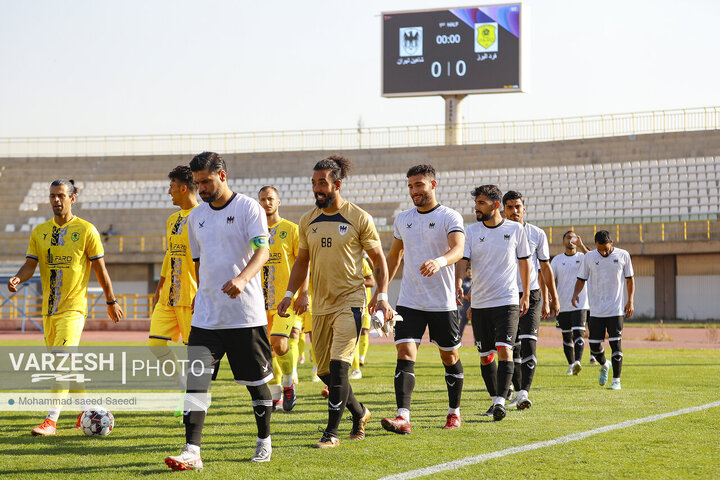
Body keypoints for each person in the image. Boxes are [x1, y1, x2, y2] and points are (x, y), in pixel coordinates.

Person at [165, 152, 273, 471]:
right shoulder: (196, 217)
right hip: (207, 317)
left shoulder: (248, 208)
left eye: (206, 181)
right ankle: (192, 450)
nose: (201, 188)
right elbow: (200, 265)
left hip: (244, 315)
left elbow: (263, 250)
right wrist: (204, 296)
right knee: (196, 381)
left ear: (222, 176)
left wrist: (241, 279)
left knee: (256, 383)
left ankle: (264, 441)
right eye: (197, 183)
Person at [277, 154, 392, 449]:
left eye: (323, 183)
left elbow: (379, 260)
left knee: (340, 365)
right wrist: (290, 295)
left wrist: (382, 296)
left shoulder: (359, 217)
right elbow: (302, 261)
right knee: (324, 372)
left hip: (350, 302)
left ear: (337, 184)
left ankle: (331, 434)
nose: (317, 188)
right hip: (320, 305)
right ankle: (360, 412)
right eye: (314, 182)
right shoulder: (307, 220)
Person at [8, 179, 123, 436]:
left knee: (62, 361)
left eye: (60, 195)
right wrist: (18, 277)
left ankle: (51, 421)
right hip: (48, 310)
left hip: (73, 308)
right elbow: (30, 264)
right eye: (52, 196)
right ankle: (87, 409)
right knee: (66, 365)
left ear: (73, 198)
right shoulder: (39, 231)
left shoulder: (86, 230)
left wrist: (111, 300)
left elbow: (100, 269)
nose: (56, 200)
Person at [381, 164, 466, 433]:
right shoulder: (403, 218)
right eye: (410, 186)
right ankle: (403, 417)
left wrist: (440, 262)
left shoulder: (449, 216)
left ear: (433, 184)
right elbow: (394, 257)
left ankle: (454, 412)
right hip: (409, 300)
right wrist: (381, 293)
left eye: (419, 185)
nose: (414, 191)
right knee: (405, 352)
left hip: (442, 302)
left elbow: (458, 249)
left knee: (449, 356)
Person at [455, 185, 530, 422]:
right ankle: (494, 399)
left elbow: (525, 264)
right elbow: (463, 260)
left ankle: (500, 401)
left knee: (505, 350)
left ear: (495, 205)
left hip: (507, 300)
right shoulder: (471, 231)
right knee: (485, 356)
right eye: (476, 203)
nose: (476, 207)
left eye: (481, 203)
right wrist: (458, 282)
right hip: (479, 303)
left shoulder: (516, 230)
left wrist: (525, 294)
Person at [502, 191, 560, 410]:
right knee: (511, 347)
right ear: (503, 210)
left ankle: (524, 393)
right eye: (510, 207)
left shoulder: (537, 234)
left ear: (524, 208)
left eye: (518, 207)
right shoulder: (498, 233)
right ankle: (516, 390)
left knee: (529, 344)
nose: (514, 211)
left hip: (532, 295)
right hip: (506, 296)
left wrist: (552, 299)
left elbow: (545, 268)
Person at [258, 185, 309, 412]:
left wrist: (304, 293)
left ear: (278, 202)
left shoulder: (291, 229)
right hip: (259, 302)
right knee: (265, 352)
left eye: (270, 199)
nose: (266, 203)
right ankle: (277, 394)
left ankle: (289, 383)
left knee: (280, 345)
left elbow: (303, 264)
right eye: (262, 199)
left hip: (285, 300)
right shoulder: (254, 232)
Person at [148, 166, 199, 382]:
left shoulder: (202, 217)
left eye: (172, 187)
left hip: (192, 296)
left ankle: (193, 398)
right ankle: (182, 381)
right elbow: (170, 254)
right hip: (169, 295)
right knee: (155, 344)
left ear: (184, 188)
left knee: (193, 352)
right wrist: (160, 285)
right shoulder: (172, 220)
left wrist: (203, 291)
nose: (169, 192)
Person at [572, 230, 634, 391]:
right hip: (596, 311)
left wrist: (630, 301)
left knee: (616, 344)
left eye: (606, 249)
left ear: (611, 243)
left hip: (616, 309)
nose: (603, 252)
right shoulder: (589, 257)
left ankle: (616, 380)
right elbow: (581, 279)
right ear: (596, 246)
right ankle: (605, 364)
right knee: (594, 346)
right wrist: (575, 294)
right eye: (600, 249)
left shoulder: (623, 255)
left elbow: (630, 280)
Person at [550, 230, 590, 375]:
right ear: (563, 241)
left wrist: (581, 245)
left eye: (573, 237)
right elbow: (550, 278)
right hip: (563, 303)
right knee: (566, 336)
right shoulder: (557, 260)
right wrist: (550, 296)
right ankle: (571, 364)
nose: (571, 240)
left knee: (579, 333)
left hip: (580, 303)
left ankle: (578, 361)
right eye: (568, 237)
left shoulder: (583, 256)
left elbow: (593, 258)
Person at [350, 253, 375, 379]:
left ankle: (360, 361)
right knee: (350, 336)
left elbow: (372, 281)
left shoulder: (362, 262)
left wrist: (355, 283)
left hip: (363, 304)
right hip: (345, 304)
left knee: (362, 332)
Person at [458, 265, 472, 340]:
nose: (470, 273)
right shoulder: (463, 281)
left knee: (477, 326)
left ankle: (476, 343)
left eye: (471, 272)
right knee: (462, 324)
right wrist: (466, 297)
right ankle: (458, 340)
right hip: (465, 306)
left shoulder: (475, 281)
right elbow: (460, 294)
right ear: (466, 272)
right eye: (468, 271)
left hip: (474, 305)